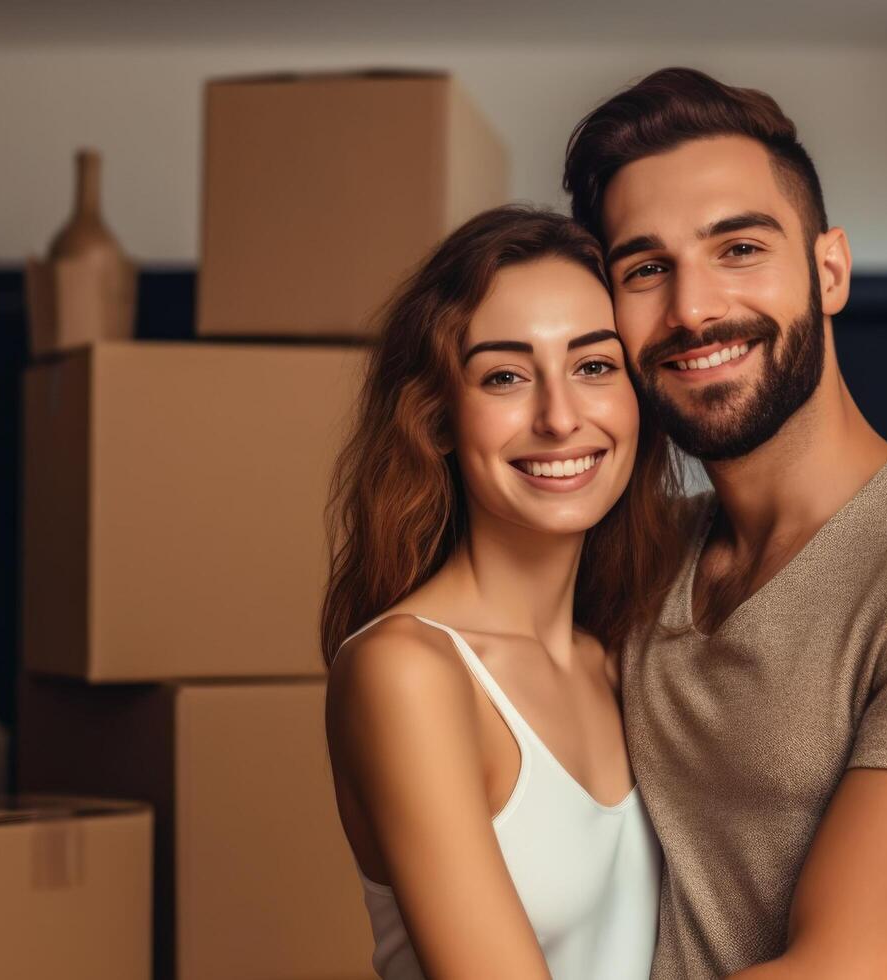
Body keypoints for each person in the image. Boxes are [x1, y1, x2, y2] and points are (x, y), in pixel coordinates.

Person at [562, 68, 887, 979]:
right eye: (646, 269)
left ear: (829, 269)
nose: (692, 307)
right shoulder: (642, 566)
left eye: (738, 248)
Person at [320, 205, 684, 979]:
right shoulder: (409, 671)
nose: (559, 418)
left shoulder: (625, 656)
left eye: (593, 366)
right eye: (505, 377)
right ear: (439, 419)